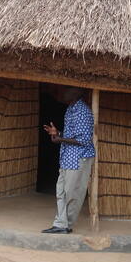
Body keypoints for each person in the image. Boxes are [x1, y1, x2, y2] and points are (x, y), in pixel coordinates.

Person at [42, 87, 95, 234]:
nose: (63, 92)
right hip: (68, 157)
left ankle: (66, 225)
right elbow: (74, 135)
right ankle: (60, 224)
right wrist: (58, 133)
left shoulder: (83, 111)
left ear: (77, 92)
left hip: (79, 157)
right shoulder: (70, 109)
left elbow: (84, 140)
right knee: (61, 192)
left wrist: (61, 139)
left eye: (67, 89)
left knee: (72, 194)